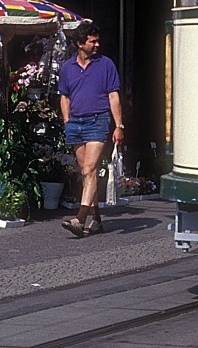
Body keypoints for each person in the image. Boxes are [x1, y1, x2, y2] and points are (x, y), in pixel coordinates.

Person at [59, 20, 125, 236]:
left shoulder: (106, 64)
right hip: (76, 123)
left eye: (98, 41)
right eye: (92, 41)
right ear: (80, 43)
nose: (97, 45)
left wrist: (118, 125)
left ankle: (80, 218)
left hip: (98, 120)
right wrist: (67, 120)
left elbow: (113, 96)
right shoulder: (68, 68)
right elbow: (64, 96)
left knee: (89, 169)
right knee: (88, 174)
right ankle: (96, 220)